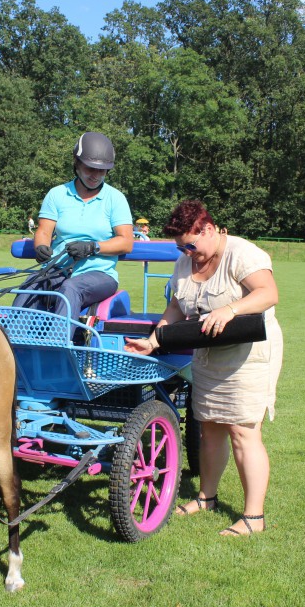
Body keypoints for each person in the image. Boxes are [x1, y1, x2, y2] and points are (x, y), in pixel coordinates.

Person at [125, 200, 283, 537]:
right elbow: (175, 308)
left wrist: (231, 309)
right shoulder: (185, 263)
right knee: (209, 427)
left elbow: (269, 294)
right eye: (181, 247)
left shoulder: (242, 254)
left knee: (242, 430)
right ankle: (205, 497)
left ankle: (254, 518)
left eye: (191, 244)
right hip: (209, 354)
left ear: (208, 229)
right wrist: (153, 341)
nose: (187, 252)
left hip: (248, 355)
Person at [14, 132, 134, 321]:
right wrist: (41, 248)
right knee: (32, 284)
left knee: (70, 288)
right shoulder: (57, 194)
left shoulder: (115, 198)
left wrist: (92, 247)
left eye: (101, 171)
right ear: (77, 163)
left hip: (100, 275)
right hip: (58, 269)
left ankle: (59, 347)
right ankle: (13, 341)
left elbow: (126, 242)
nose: (95, 175)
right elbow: (44, 231)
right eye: (90, 168)